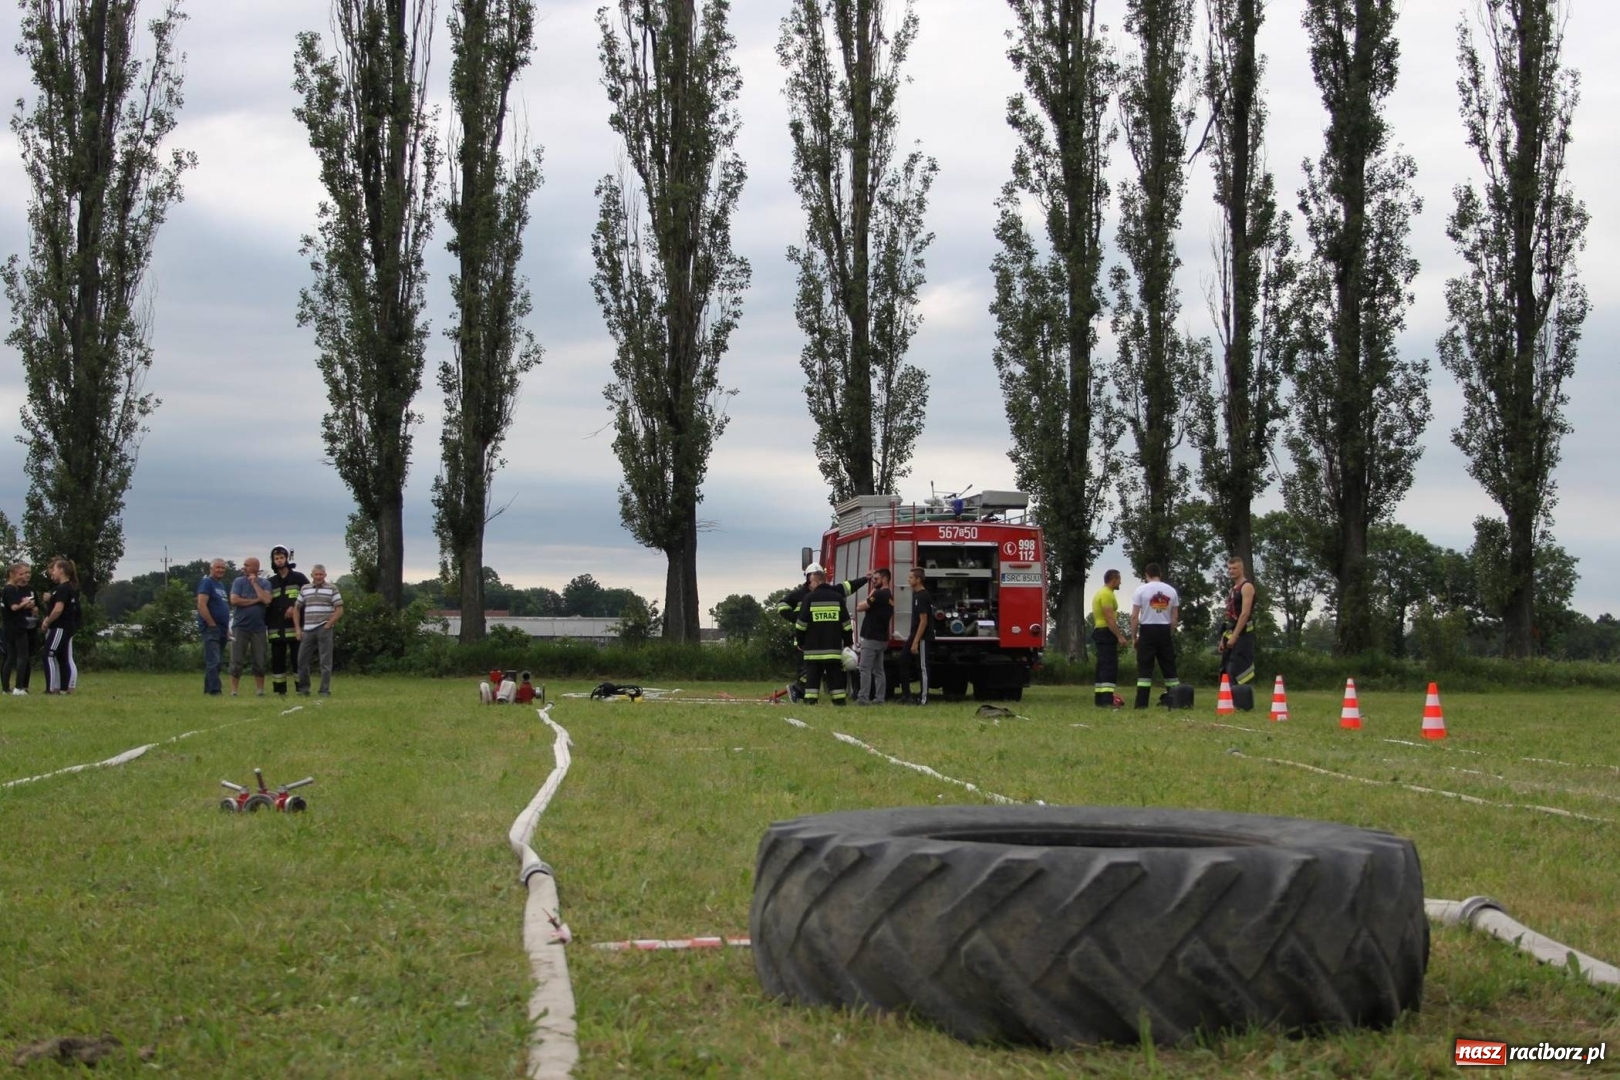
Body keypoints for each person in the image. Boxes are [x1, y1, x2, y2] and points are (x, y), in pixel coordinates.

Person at [793, 565, 855, 705]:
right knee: (835, 677)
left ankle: (810, 701)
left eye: (811, 582)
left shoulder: (809, 598)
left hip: (813, 650)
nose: (811, 585)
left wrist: (800, 642)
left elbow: (801, 624)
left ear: (817, 581)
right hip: (832, 649)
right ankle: (839, 702)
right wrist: (848, 643)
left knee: (813, 678)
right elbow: (846, 624)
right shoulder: (838, 598)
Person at [1129, 563, 1181, 709]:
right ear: (1160, 573)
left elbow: (1134, 616)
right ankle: (1175, 700)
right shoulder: (1171, 591)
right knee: (1169, 667)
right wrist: (1169, 634)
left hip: (1147, 630)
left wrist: (1134, 637)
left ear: (1146, 574)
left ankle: (1141, 704)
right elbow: (1175, 618)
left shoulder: (1141, 590)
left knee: (1145, 669)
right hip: (1164, 629)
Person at [266, 546, 309, 697]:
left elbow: (308, 597)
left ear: (287, 559)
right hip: (276, 628)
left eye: (281, 558)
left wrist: (295, 607)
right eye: (276, 558)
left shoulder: (299, 578)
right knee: (277, 661)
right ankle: (280, 692)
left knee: (298, 659)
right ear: (273, 561)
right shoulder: (270, 582)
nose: (279, 561)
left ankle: (301, 689)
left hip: (296, 628)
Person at [295, 565, 343, 696]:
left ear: (325, 575)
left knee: (325, 661)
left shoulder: (332, 589)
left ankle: (324, 689)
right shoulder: (305, 589)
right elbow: (296, 609)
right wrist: (298, 629)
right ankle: (304, 689)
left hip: (324, 627)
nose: (318, 577)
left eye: (320, 574)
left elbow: (339, 609)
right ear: (312, 575)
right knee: (302, 660)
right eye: (316, 575)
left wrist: (329, 624)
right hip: (308, 629)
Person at [229, 557, 272, 697]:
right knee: (236, 660)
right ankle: (234, 691)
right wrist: (255, 600)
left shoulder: (265, 583)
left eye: (247, 565)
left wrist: (254, 584)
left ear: (255, 567)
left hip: (258, 628)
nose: (244, 567)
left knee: (259, 660)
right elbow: (234, 600)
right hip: (240, 626)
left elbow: (266, 600)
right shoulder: (238, 582)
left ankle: (260, 690)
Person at [40, 557, 81, 695]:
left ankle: (51, 688)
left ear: (62, 571)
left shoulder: (64, 588)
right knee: (63, 657)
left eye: (55, 569)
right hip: (66, 627)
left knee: (48, 655)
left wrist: (47, 621)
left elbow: (58, 609)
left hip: (60, 627)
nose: (52, 572)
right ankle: (63, 689)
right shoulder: (65, 588)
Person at [1218, 554, 1258, 691]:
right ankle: (1229, 700)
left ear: (1241, 569)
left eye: (1234, 568)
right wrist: (1223, 638)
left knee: (1236, 668)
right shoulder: (1232, 590)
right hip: (1231, 631)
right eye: (1229, 569)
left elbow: (1245, 614)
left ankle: (1239, 700)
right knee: (1226, 668)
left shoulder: (1247, 587)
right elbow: (1229, 615)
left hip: (1243, 635)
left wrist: (1235, 636)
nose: (1231, 571)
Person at [854, 568, 893, 705]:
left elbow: (860, 607)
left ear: (884, 579)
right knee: (879, 670)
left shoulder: (879, 594)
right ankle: (879, 698)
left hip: (871, 637)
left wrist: (872, 592)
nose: (873, 581)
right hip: (882, 638)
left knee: (864, 668)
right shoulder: (889, 595)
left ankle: (863, 698)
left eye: (876, 579)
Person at [1091, 569, 1127, 708]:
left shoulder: (1101, 592)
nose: (1120, 582)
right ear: (1113, 579)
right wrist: (1119, 636)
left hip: (1100, 630)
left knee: (1102, 665)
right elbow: (1109, 618)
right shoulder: (1106, 595)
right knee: (1109, 666)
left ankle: (1100, 699)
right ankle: (1106, 699)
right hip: (1106, 631)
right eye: (1119, 579)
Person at [196, 558, 230, 696]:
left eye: (223, 568)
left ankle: (208, 689)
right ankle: (216, 690)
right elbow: (201, 605)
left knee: (218, 661)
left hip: (222, 628)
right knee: (214, 660)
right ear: (211, 569)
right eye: (218, 567)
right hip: (211, 628)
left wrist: (227, 628)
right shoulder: (207, 583)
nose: (220, 570)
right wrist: (211, 624)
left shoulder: (221, 585)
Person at [901, 567, 934, 705]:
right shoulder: (915, 595)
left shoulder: (922, 596)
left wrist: (915, 642)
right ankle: (906, 695)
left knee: (923, 667)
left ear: (918, 580)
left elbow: (924, 621)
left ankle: (924, 698)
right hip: (913, 634)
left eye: (911, 578)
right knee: (903, 660)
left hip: (922, 637)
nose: (908, 580)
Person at [2, 562, 37, 695]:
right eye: (20, 574)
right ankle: (18, 687)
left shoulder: (8, 589)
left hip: (8, 627)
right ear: (12, 574)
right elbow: (14, 607)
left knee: (10, 657)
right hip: (17, 626)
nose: (22, 577)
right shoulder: (10, 589)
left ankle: (5, 689)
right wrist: (25, 603)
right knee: (23, 656)